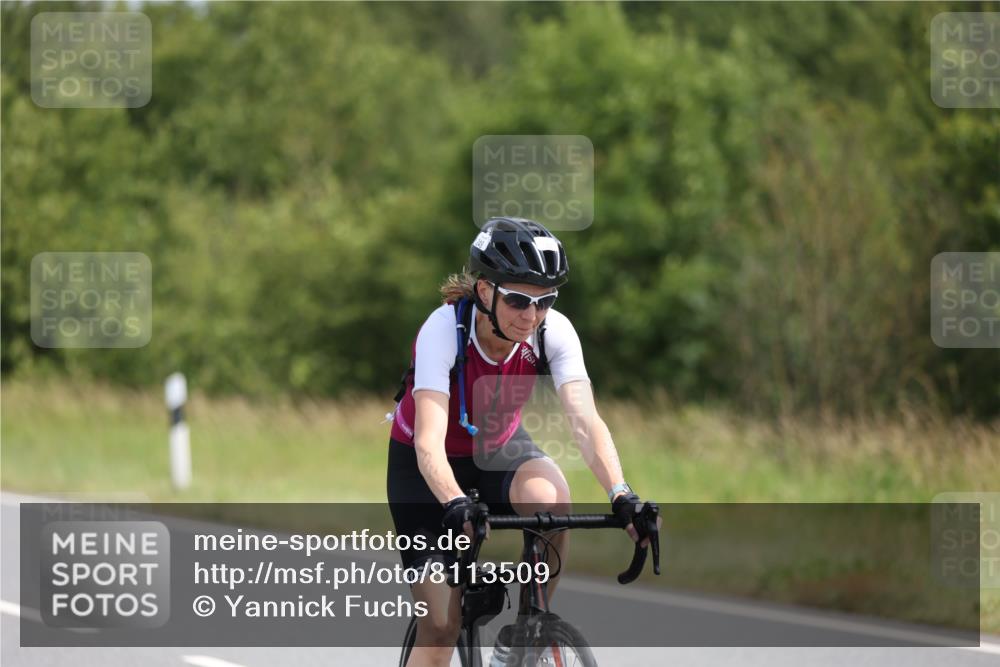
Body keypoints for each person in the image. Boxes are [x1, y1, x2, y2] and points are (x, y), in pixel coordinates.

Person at [386, 217, 653, 667]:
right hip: (425, 466)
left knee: (552, 499)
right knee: (439, 626)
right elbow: (429, 441)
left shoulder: (553, 332)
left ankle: (527, 629)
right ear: (485, 291)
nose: (531, 316)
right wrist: (454, 502)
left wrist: (621, 494)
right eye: (517, 300)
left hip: (498, 449)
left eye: (545, 301)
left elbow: (586, 421)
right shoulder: (443, 330)